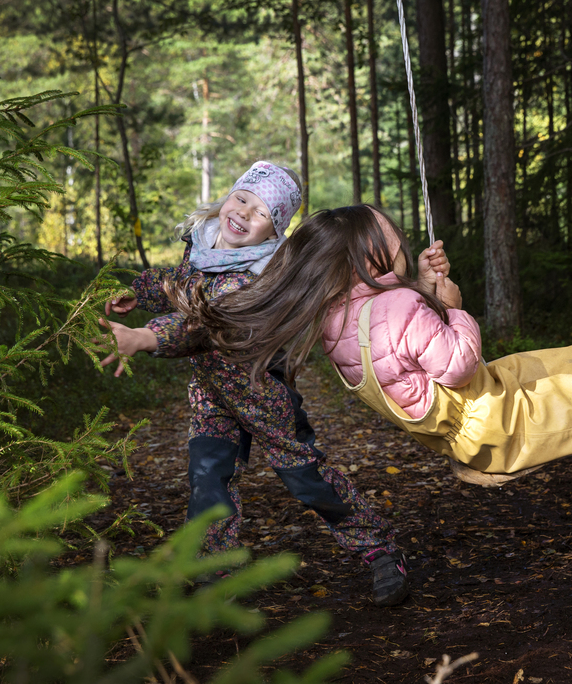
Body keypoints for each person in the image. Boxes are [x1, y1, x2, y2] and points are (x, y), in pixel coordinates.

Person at [169, 204, 572, 486]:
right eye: (394, 235)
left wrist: (425, 291)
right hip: (495, 419)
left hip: (484, 404)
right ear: (370, 258)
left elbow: (403, 342)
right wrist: (454, 305)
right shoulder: (397, 305)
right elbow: (459, 358)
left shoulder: (342, 317)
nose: (404, 237)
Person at [98, 168, 409, 607]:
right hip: (211, 396)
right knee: (208, 479)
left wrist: (144, 337)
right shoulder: (203, 243)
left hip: (261, 393)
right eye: (242, 198)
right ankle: (212, 573)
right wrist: (138, 290)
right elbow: (179, 283)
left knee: (306, 478)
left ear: (275, 229)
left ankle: (378, 548)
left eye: (261, 212)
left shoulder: (257, 276)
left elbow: (202, 324)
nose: (244, 213)